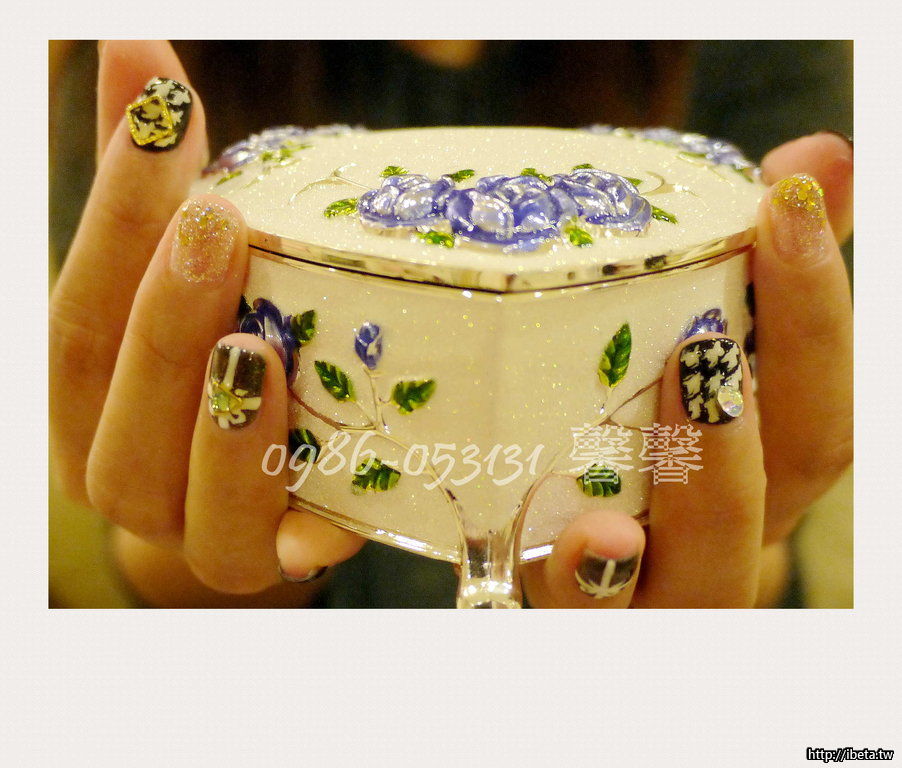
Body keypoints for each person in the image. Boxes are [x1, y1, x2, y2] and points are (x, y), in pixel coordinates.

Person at [49, 40, 853, 608]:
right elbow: (167, 546)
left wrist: (747, 549)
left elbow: (764, 503)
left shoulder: (759, 45)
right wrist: (203, 567)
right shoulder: (191, 53)